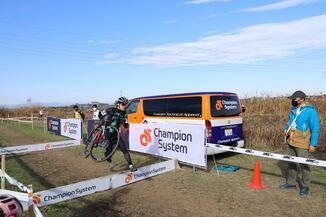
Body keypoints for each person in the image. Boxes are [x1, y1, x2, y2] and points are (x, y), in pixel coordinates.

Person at [280, 90, 320, 197]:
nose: (293, 100)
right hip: (291, 140)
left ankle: (305, 187)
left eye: (295, 98)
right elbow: (290, 122)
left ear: (302, 99)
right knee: (291, 163)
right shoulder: (293, 109)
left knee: (304, 165)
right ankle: (291, 183)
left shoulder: (310, 111)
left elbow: (315, 128)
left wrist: (313, 144)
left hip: (302, 142)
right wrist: (286, 128)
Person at [101, 97, 137, 172]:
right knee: (108, 150)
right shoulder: (111, 109)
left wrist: (125, 123)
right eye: (123, 104)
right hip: (108, 133)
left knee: (124, 150)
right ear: (118, 104)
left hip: (116, 134)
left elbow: (126, 125)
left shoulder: (125, 113)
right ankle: (107, 155)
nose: (125, 106)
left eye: (126, 104)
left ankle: (131, 166)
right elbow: (100, 114)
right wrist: (102, 120)